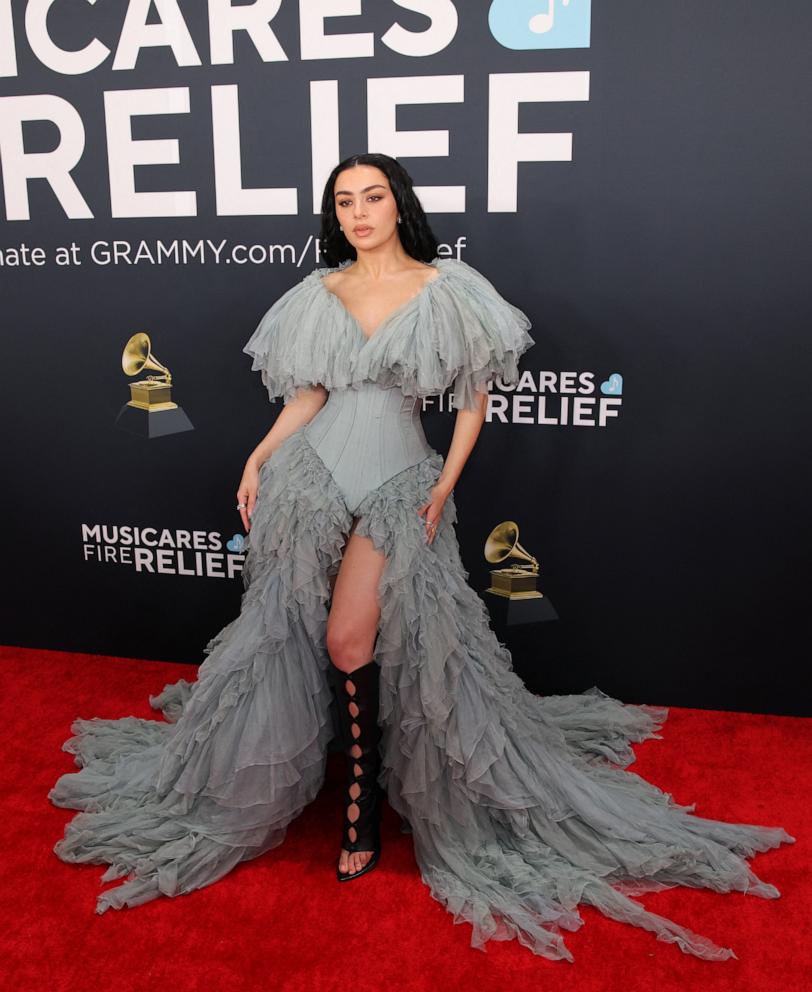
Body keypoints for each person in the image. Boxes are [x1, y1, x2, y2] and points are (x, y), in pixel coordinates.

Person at [48, 153, 795, 963]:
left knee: (349, 640)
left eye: (372, 197)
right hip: (309, 477)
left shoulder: (448, 286)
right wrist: (258, 457)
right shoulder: (318, 291)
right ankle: (303, 770)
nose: (358, 212)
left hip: (402, 479)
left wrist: (442, 484)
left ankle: (363, 797)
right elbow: (310, 394)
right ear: (333, 214)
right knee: (281, 633)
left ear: (398, 205)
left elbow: (473, 399)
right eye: (344, 201)